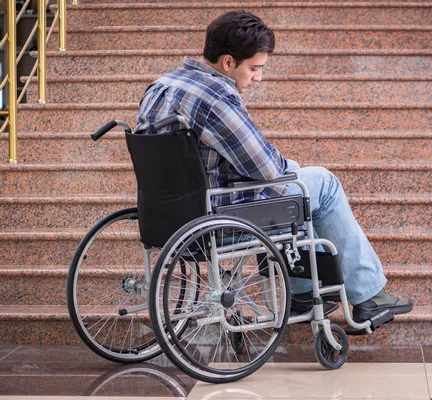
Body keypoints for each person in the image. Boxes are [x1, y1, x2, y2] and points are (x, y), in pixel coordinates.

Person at [135, 10, 412, 333]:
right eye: (254, 68)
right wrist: (291, 168)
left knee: (294, 188)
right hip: (218, 214)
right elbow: (266, 168)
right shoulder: (216, 97)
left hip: (168, 215)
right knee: (319, 183)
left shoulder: (163, 84)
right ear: (228, 62)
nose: (258, 78)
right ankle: (366, 295)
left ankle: (304, 293)